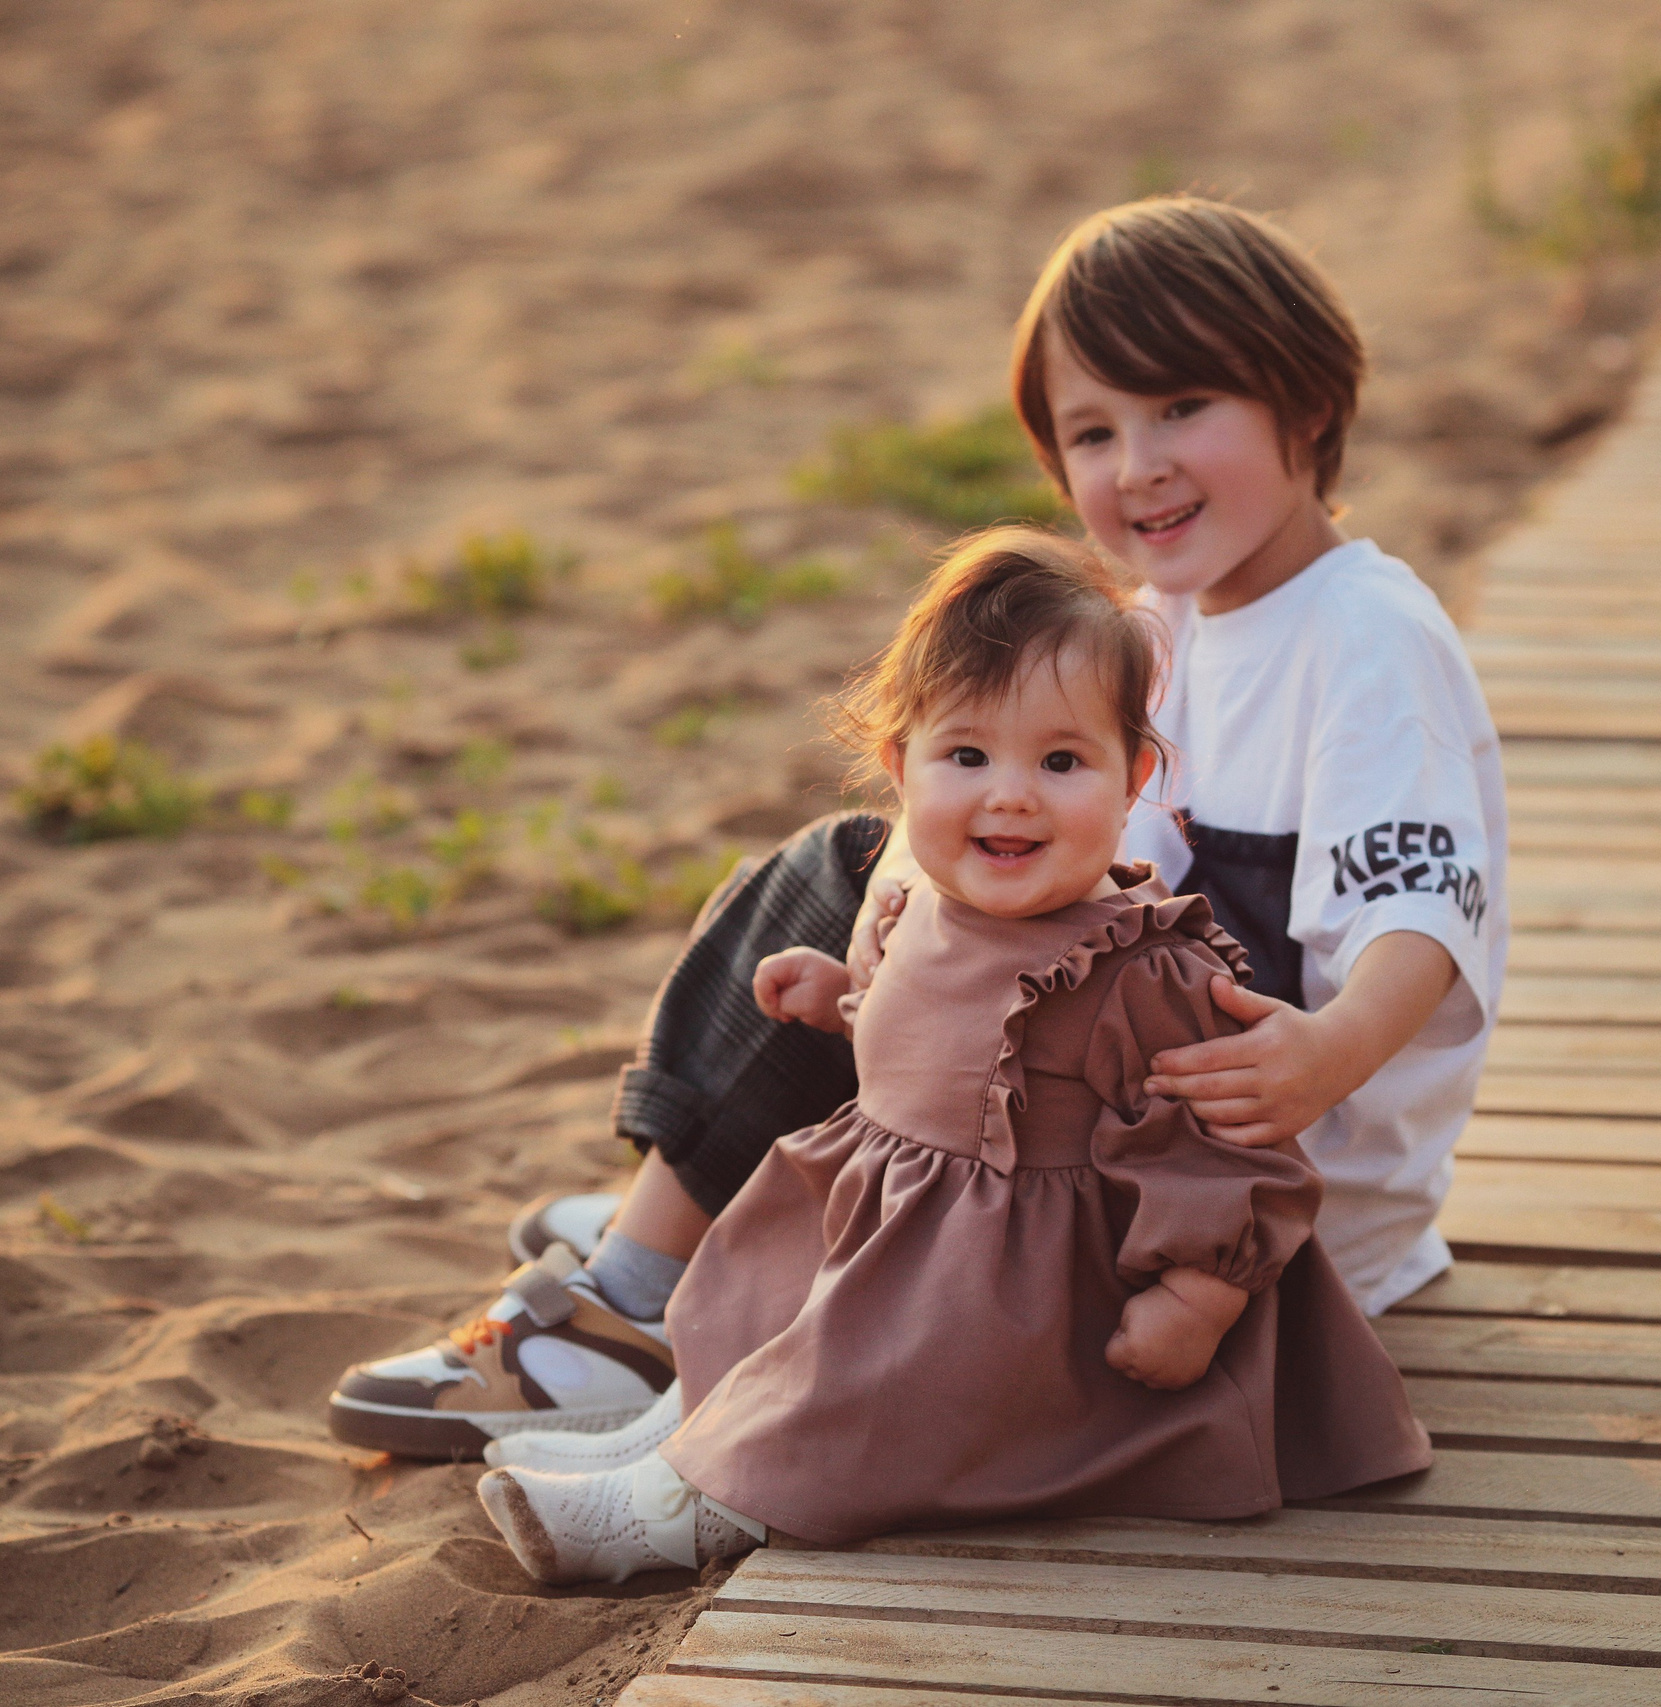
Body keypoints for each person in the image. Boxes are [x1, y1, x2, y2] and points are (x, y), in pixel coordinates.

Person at [325, 193, 1506, 1459]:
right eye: (1090, 432)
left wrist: (1326, 1053)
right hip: (1099, 1140)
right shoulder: (1165, 626)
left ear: (1308, 402)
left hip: (1229, 1210)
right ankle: (690, 1222)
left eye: (1183, 408)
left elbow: (1417, 913)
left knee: (844, 871)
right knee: (901, 867)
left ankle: (633, 1299)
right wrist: (880, 968)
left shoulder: (1366, 636)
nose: (1136, 465)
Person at [475, 530, 1429, 1583]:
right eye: (966, 756)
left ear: (1134, 776)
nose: (1009, 795)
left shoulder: (1139, 969)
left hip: (1027, 1301)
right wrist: (846, 1001)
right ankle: (674, 1434)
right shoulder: (916, 900)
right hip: (898, 1231)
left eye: (1061, 761)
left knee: (866, 1375)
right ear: (901, 765)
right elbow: (940, 1034)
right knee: (753, 1294)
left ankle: (677, 1511)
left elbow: (1228, 1152)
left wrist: (1198, 1297)